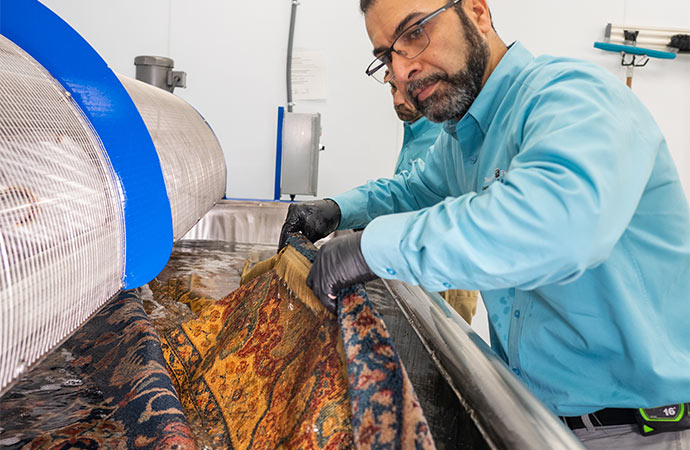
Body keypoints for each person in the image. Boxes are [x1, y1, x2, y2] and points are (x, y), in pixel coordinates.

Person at [278, 0, 690, 447]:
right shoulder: (466, 137)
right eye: (386, 57)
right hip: (531, 419)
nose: (402, 70)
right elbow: (413, 189)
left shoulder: (576, 95)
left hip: (634, 429)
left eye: (414, 32)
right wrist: (338, 208)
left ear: (476, 11)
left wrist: (368, 248)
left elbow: (556, 225)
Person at [387, 70, 479, 323]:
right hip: (418, 263)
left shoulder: (443, 134)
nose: (397, 101)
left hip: (448, 271)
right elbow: (407, 192)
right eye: (392, 90)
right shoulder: (413, 133)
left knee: (446, 350)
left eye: (403, 91)